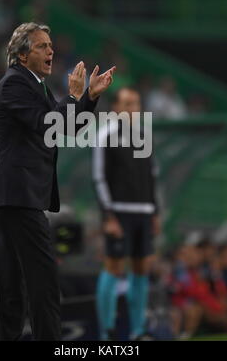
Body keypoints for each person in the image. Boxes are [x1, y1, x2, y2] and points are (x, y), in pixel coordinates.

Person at [0, 22, 115, 341]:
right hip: (18, 196)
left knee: (12, 285)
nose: (51, 51)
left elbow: (67, 129)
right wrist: (73, 96)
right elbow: (49, 124)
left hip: (13, 197)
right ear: (21, 54)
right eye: (42, 46)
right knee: (42, 282)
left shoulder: (34, 86)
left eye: (51, 45)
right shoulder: (15, 84)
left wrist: (88, 99)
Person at [93, 87, 161, 340]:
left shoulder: (145, 136)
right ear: (116, 108)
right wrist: (108, 216)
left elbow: (151, 177)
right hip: (119, 212)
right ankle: (106, 332)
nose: (134, 109)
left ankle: (138, 330)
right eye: (128, 104)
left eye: (136, 104)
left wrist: (155, 212)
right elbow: (99, 178)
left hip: (143, 211)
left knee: (142, 268)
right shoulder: (105, 136)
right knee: (113, 266)